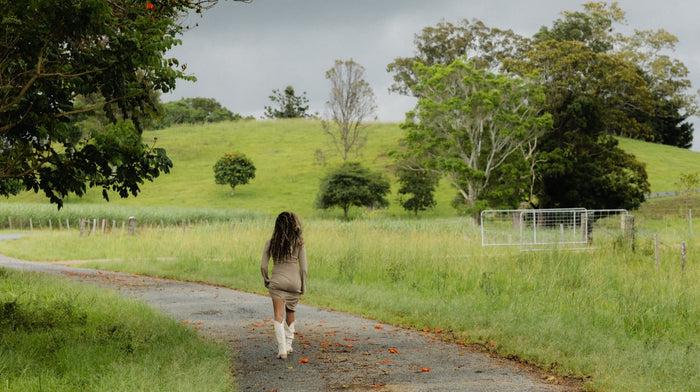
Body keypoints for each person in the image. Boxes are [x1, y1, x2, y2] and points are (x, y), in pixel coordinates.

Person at [260, 211, 308, 359]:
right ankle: (289, 345)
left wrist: (266, 279)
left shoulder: (271, 242)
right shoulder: (299, 243)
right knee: (291, 311)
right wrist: (303, 286)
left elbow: (263, 266)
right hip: (294, 282)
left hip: (277, 282)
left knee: (278, 315)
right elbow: (304, 268)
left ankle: (282, 350)